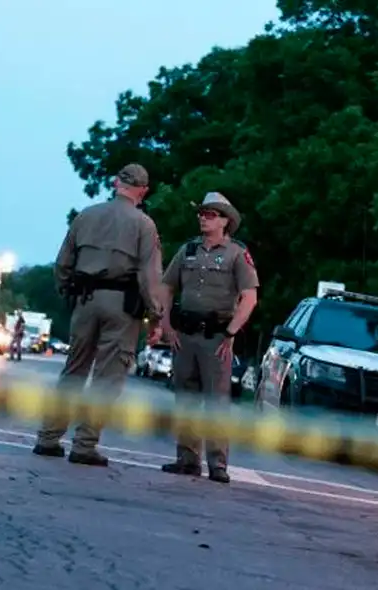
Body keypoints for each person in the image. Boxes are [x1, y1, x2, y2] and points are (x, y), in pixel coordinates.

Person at [33, 163, 164, 467]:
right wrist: (155, 316)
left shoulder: (86, 216)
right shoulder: (144, 225)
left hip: (85, 300)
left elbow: (62, 263)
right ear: (143, 191)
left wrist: (68, 292)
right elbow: (149, 277)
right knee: (108, 377)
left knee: (74, 370)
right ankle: (84, 444)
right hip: (122, 306)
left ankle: (48, 438)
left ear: (116, 183)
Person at [158, 192, 259, 484]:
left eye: (211, 215)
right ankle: (187, 459)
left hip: (216, 337)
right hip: (185, 334)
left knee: (216, 402)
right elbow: (166, 287)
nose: (203, 218)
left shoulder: (237, 253)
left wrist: (231, 332)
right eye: (202, 214)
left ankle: (218, 464)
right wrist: (166, 324)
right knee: (185, 398)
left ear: (225, 221)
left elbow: (250, 297)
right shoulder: (187, 250)